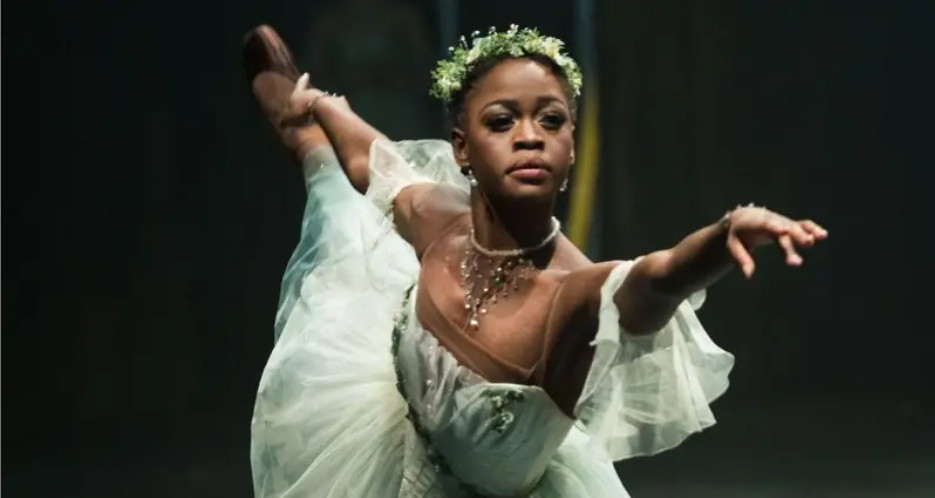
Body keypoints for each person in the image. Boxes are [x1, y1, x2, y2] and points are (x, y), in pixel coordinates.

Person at [243, 24, 827, 498]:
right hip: (394, 460)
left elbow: (655, 278)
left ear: (571, 148)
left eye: (551, 120)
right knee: (343, 197)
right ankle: (301, 131)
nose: (529, 137)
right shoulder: (439, 220)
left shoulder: (572, 295)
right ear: (462, 148)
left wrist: (722, 235)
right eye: (502, 121)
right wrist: (321, 109)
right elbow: (373, 163)